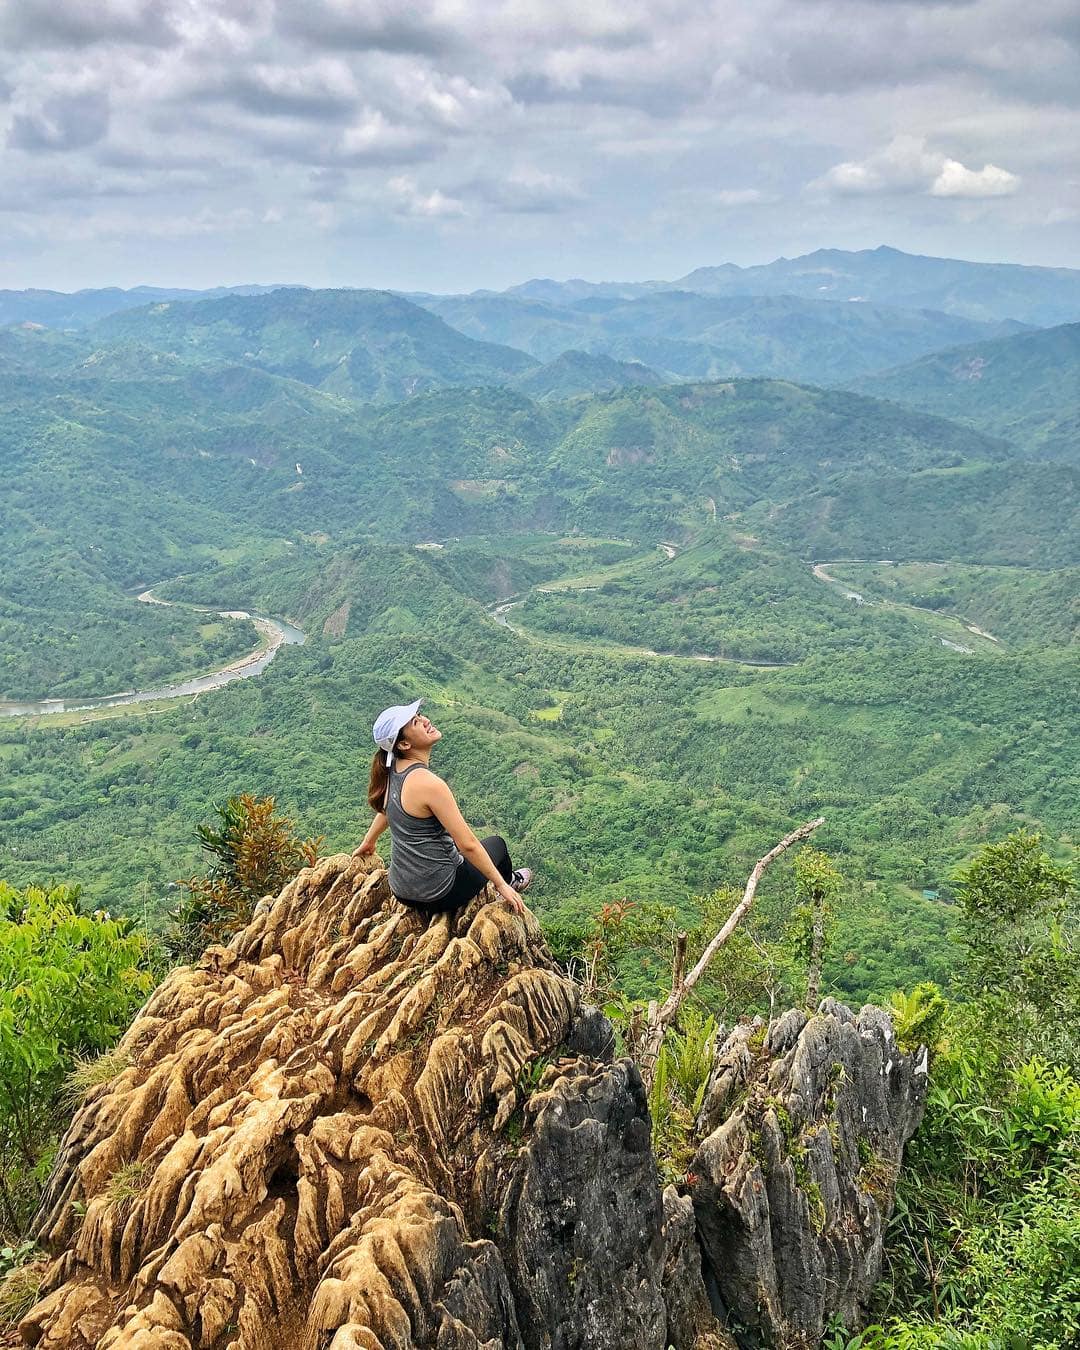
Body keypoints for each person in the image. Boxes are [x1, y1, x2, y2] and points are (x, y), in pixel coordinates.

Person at [354, 699, 533, 916]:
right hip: (442, 892)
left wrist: (368, 841)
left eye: (419, 716)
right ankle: (510, 881)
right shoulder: (429, 784)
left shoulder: (391, 771)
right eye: (415, 723)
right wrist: (500, 885)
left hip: (402, 891)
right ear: (404, 745)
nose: (425, 721)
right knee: (497, 845)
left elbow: (386, 809)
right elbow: (468, 845)